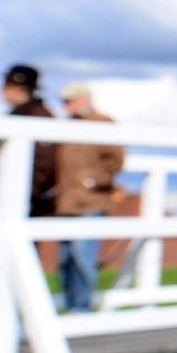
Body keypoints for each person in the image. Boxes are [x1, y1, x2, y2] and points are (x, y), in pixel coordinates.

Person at [0, 65, 57, 278]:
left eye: (6, 85)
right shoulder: (19, 115)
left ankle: (13, 310)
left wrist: (25, 196)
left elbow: (43, 164)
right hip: (1, 199)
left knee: (0, 259)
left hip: (17, 202)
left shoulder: (38, 117)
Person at [54, 84, 124, 313]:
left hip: (90, 202)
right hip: (65, 204)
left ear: (83, 100)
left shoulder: (103, 124)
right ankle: (70, 305)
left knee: (82, 255)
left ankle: (81, 308)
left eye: (69, 101)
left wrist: (91, 180)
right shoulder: (66, 128)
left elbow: (115, 162)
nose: (66, 106)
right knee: (65, 259)